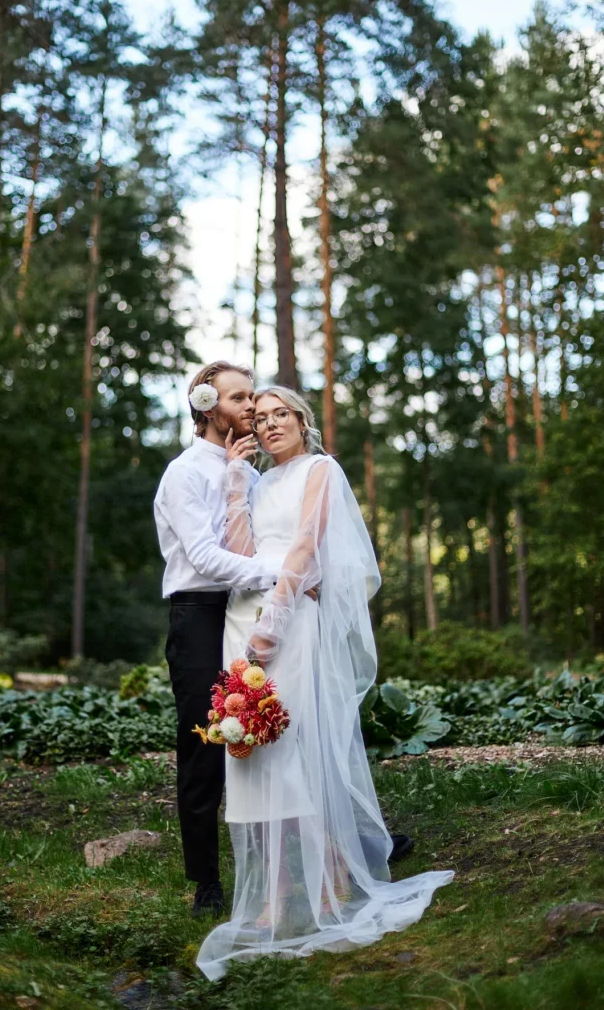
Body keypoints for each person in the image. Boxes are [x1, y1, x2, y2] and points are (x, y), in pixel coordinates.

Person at [196, 386, 453, 981]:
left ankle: (332, 873)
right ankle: (272, 890)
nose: (269, 425)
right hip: (243, 616)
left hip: (289, 618)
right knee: (250, 749)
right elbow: (243, 552)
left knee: (297, 743)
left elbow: (307, 546)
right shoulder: (257, 481)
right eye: (260, 419)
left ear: (302, 420)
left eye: (280, 415)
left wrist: (274, 623)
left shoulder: (321, 469)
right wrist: (234, 484)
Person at [154, 362, 285, 917]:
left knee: (278, 724)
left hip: (249, 612)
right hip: (200, 617)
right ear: (208, 407)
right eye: (239, 398)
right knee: (204, 746)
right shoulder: (183, 473)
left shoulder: (250, 473)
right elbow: (206, 557)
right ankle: (206, 881)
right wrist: (276, 574)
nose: (252, 406)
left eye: (253, 395)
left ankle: (334, 846)